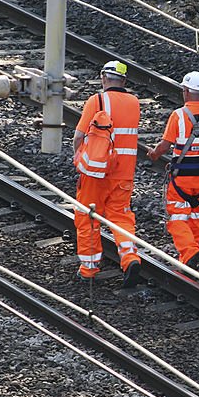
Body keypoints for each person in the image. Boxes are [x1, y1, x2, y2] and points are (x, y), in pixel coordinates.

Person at [147, 71, 199, 268]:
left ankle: (190, 251)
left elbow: (165, 145)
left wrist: (154, 154)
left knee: (177, 217)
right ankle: (188, 260)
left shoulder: (178, 116)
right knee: (197, 216)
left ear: (185, 91)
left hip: (182, 178)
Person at [72, 60, 142, 287]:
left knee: (88, 217)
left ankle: (89, 269)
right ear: (124, 80)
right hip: (124, 173)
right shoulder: (134, 103)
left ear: (103, 77)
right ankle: (130, 258)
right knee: (121, 216)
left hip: (96, 172)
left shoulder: (97, 100)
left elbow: (78, 136)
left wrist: (79, 158)